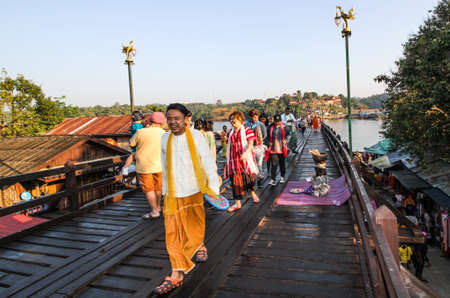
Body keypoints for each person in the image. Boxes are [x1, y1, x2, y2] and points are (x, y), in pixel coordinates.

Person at [154, 103, 220, 295]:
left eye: (176, 118)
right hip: (173, 193)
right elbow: (165, 167)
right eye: (169, 118)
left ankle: (199, 245)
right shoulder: (164, 138)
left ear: (185, 119)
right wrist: (164, 192)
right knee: (172, 233)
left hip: (193, 190)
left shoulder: (196, 136)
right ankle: (177, 273)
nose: (173, 122)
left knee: (194, 231)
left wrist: (213, 189)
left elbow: (207, 162)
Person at [124, 112, 166, 219]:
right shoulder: (164, 133)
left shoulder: (140, 132)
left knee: (149, 189)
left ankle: (154, 211)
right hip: (160, 165)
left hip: (144, 166)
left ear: (150, 120)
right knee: (158, 187)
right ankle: (158, 207)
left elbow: (131, 144)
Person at [225, 111, 260, 212]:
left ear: (240, 119)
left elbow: (250, 144)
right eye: (231, 119)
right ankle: (237, 203)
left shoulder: (247, 130)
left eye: (234, 119)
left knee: (248, 178)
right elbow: (228, 145)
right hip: (234, 160)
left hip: (245, 159)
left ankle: (253, 193)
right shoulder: (230, 132)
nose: (232, 121)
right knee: (234, 180)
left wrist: (245, 153)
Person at [266, 114, 288, 186]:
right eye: (276, 121)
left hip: (282, 148)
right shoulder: (269, 127)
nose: (277, 122)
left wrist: (286, 140)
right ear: (274, 121)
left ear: (281, 121)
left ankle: (282, 176)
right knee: (274, 164)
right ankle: (273, 179)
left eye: (278, 121)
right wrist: (268, 142)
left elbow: (289, 134)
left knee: (282, 163)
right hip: (273, 149)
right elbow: (266, 137)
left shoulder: (285, 127)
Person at [245, 109, 266, 184]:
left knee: (259, 163)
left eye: (256, 117)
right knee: (251, 163)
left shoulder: (261, 125)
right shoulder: (246, 125)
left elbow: (264, 135)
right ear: (250, 117)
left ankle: (260, 177)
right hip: (250, 147)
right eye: (253, 117)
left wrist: (259, 140)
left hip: (259, 146)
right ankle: (254, 179)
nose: (254, 119)